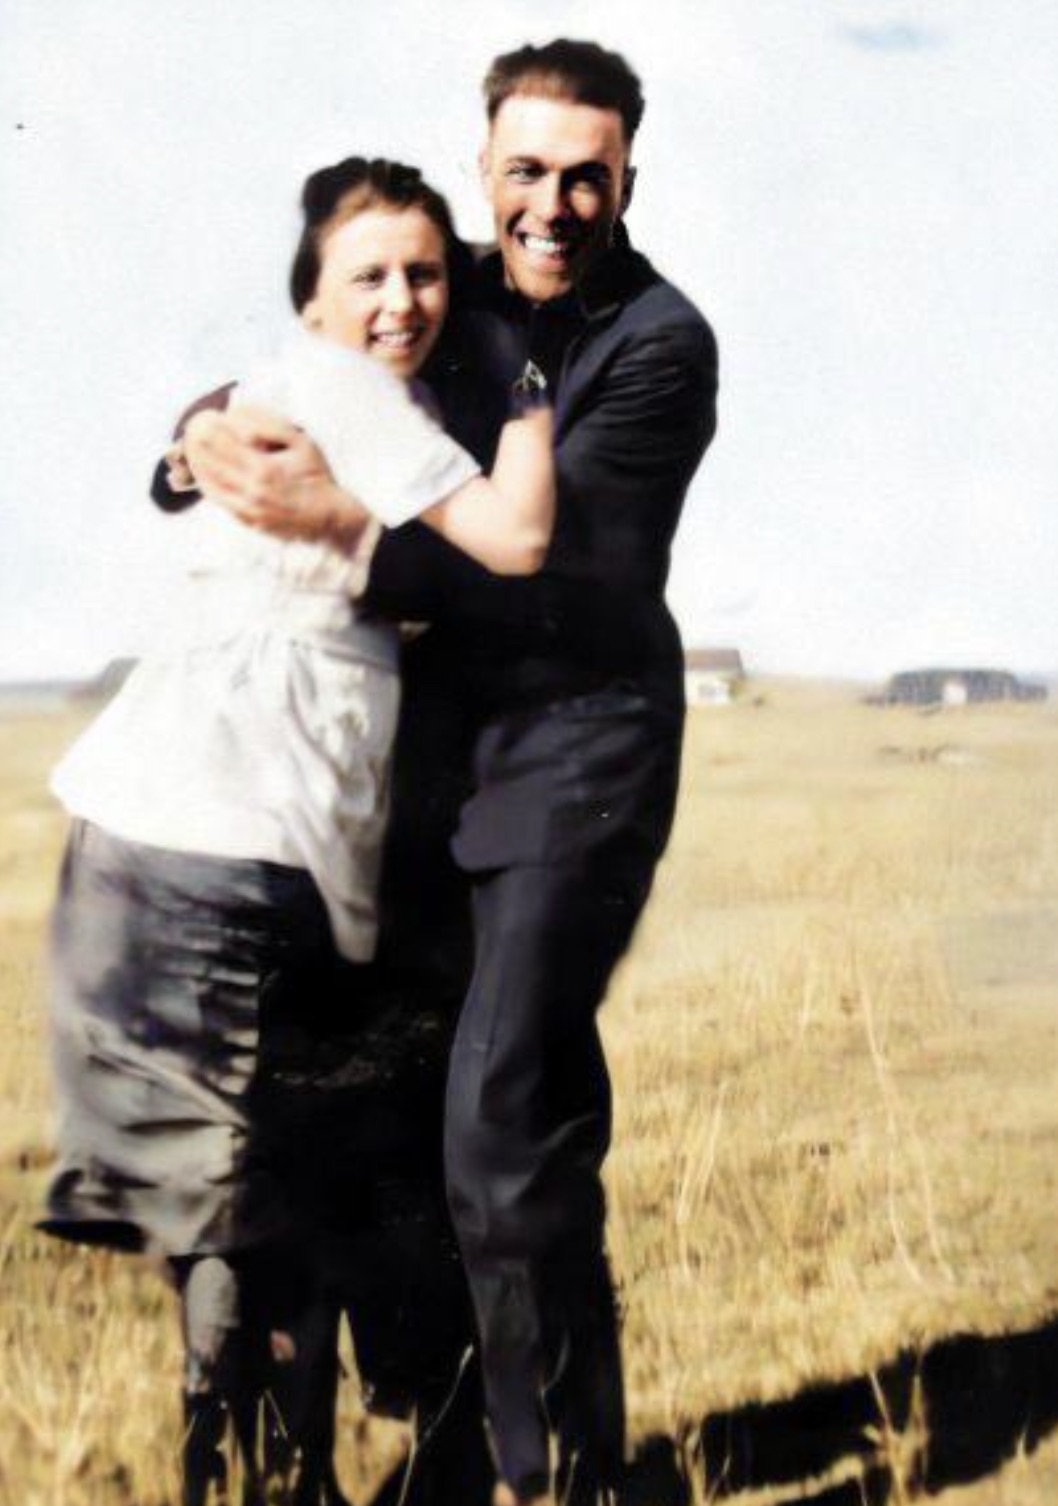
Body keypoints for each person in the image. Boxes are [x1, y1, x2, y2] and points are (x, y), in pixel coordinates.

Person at [162, 38, 719, 1506]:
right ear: (482, 170)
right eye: (523, 171)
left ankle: (560, 1480)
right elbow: (280, 378)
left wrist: (334, 521)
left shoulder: (659, 343)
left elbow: (565, 575)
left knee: (498, 1113)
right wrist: (194, 441)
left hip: (575, 753)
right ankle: (445, 1436)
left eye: (582, 175)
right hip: (416, 755)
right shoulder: (440, 282)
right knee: (375, 1095)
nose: (550, 204)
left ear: (625, 181)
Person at [42, 155, 556, 1506]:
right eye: (368, 276)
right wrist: (529, 397)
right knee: (255, 1197)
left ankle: (273, 1472)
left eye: (423, 272)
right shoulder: (362, 392)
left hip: (146, 834)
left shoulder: (286, 387)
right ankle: (275, 1480)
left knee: (236, 1199)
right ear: (312, 298)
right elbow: (510, 543)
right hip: (236, 840)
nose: (401, 299)